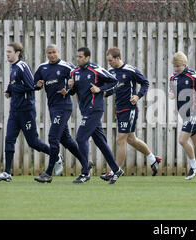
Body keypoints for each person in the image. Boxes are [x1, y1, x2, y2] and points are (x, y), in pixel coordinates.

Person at [0, 42, 53, 182]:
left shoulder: (22, 66)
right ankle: (7, 172)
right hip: (14, 111)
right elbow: (14, 84)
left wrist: (14, 89)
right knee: (9, 140)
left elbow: (31, 86)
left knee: (33, 142)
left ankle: (55, 155)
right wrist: (9, 90)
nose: (7, 54)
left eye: (9, 52)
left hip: (26, 111)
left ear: (17, 53)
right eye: (6, 51)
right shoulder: (13, 68)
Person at [62, 47, 123, 184]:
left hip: (95, 109)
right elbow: (74, 92)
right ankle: (116, 169)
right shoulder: (75, 72)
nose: (78, 59)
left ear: (88, 58)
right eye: (77, 56)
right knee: (100, 141)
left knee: (80, 137)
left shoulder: (96, 69)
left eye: (81, 57)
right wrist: (70, 87)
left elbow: (115, 81)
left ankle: (85, 172)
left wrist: (100, 89)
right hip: (85, 110)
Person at [33, 44, 92, 183]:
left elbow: (78, 80)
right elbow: (34, 84)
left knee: (53, 138)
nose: (52, 55)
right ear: (46, 54)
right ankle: (85, 163)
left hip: (64, 107)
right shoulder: (42, 68)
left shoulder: (66, 67)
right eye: (49, 53)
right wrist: (37, 85)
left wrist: (69, 88)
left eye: (54, 52)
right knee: (65, 139)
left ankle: (48, 173)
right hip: (52, 107)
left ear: (58, 52)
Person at [101, 47, 162, 180]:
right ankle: (153, 158)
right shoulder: (111, 72)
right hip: (119, 109)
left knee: (120, 139)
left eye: (111, 60)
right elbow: (113, 88)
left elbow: (145, 83)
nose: (109, 63)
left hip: (129, 109)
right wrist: (104, 93)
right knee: (131, 139)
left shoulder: (130, 70)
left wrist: (138, 96)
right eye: (108, 61)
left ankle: (115, 171)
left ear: (118, 58)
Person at [168, 51, 196, 180]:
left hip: (194, 112)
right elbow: (173, 90)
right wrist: (172, 94)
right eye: (175, 66)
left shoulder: (193, 75)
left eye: (179, 66)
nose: (176, 69)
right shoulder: (173, 78)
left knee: (182, 140)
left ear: (184, 64)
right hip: (183, 113)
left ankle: (194, 166)